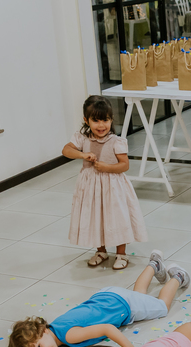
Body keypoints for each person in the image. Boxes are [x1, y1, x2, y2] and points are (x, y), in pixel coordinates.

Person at [6, 255, 189, 347]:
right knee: (139, 295)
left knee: (161, 306)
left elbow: (107, 328)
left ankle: (178, 277)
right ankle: (154, 265)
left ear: (43, 330)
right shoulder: (58, 326)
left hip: (122, 305)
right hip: (107, 297)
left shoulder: (68, 336)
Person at [64, 95, 147, 271]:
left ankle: (121, 253)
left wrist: (107, 167)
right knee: (96, 216)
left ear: (111, 119)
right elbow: (66, 150)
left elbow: (124, 165)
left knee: (116, 217)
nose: (101, 125)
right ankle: (101, 251)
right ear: (86, 120)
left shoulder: (116, 141)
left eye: (105, 120)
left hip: (112, 186)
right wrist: (82, 155)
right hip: (91, 187)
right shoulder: (82, 137)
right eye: (96, 120)